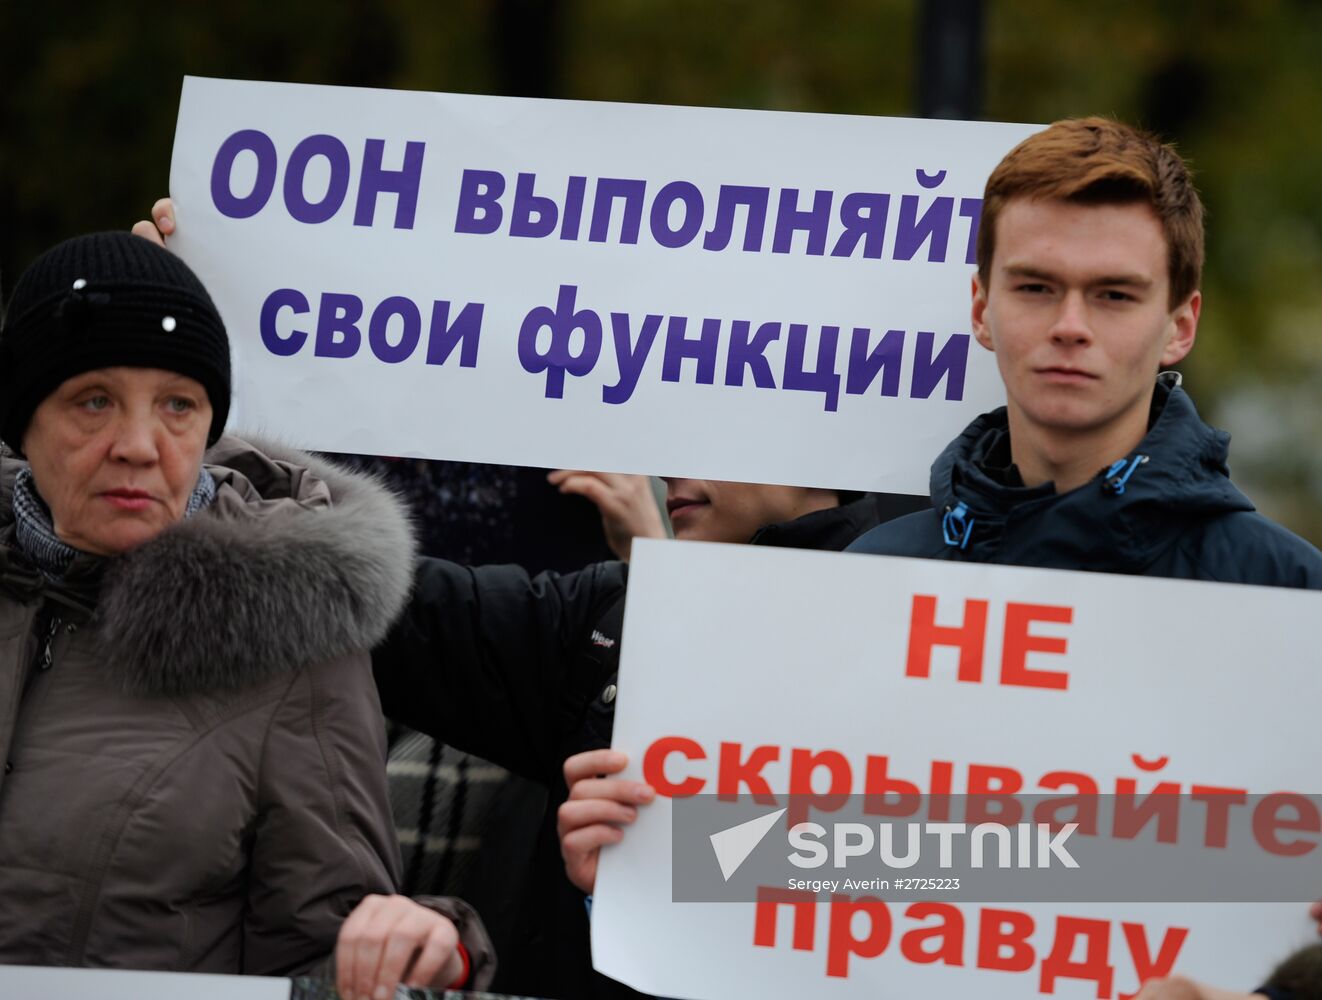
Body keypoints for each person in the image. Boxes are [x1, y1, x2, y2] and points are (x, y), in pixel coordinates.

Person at [0, 232, 493, 995]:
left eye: (179, 406)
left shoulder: (291, 644)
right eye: (93, 401)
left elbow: (324, 957)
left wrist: (421, 948)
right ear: (21, 422)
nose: (137, 445)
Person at [845, 116, 1322, 585]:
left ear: (1180, 327)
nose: (1070, 327)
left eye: (1114, 295)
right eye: (1035, 287)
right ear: (981, 310)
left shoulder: (1287, 592)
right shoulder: (868, 579)